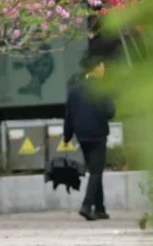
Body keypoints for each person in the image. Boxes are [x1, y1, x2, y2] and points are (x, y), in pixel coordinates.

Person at [63, 56, 116, 221]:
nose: (104, 69)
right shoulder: (101, 88)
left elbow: (68, 115)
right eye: (102, 66)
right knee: (96, 172)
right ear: (95, 69)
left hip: (82, 136)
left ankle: (100, 209)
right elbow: (110, 112)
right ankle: (86, 206)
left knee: (94, 170)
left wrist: (67, 136)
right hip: (98, 134)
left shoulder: (74, 89)